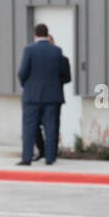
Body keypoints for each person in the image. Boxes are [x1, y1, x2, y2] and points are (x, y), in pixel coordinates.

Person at [17, 23, 72, 165]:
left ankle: (27, 158)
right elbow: (61, 73)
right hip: (52, 96)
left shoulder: (29, 50)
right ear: (47, 35)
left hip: (32, 95)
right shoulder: (57, 51)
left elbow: (22, 72)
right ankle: (50, 158)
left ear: (35, 34)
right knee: (51, 127)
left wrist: (27, 86)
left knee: (29, 127)